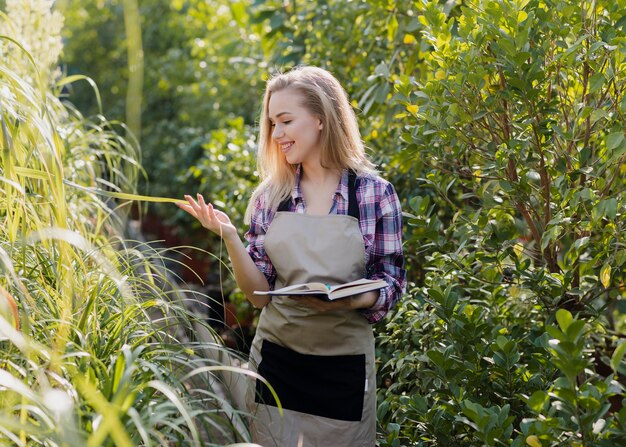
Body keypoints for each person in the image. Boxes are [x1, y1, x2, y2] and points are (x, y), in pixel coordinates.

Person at [177, 66, 406, 447]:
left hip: (342, 368)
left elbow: (392, 282)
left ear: (320, 119)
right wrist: (230, 237)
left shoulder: (373, 194)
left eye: (285, 121)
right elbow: (258, 295)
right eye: (272, 124)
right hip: (278, 361)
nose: (277, 135)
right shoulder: (272, 196)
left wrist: (351, 299)